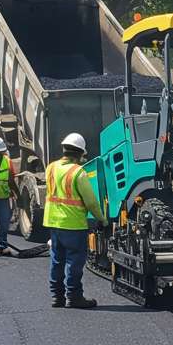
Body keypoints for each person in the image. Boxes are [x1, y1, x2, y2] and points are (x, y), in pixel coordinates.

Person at [43, 132, 108, 309]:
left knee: (57, 260)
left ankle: (57, 297)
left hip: (53, 223)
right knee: (74, 262)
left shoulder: (51, 168)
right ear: (80, 154)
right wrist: (102, 219)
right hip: (73, 225)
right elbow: (91, 202)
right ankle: (74, 297)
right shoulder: (78, 172)